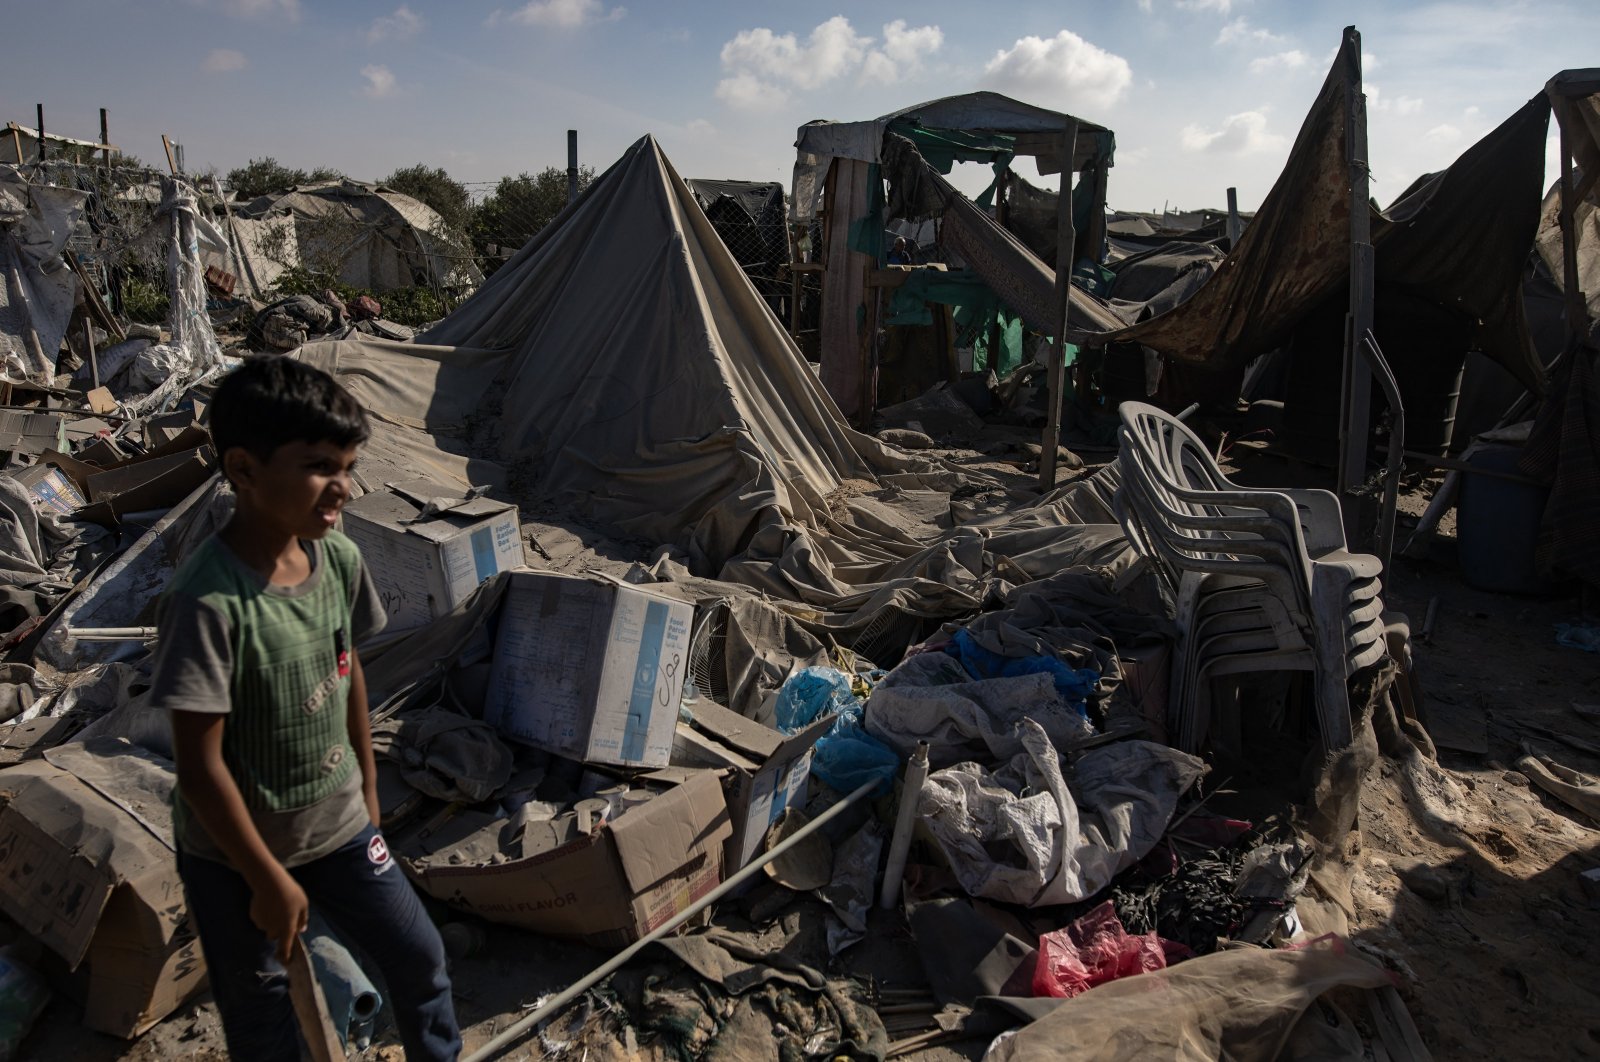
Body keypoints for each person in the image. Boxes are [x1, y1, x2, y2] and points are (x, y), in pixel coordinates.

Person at [151, 355, 460, 1062]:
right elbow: (199, 770)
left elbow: (347, 672)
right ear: (244, 469)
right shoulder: (208, 601)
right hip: (233, 858)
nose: (343, 488)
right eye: (320, 466)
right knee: (263, 1017)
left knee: (419, 960)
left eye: (348, 466)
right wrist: (265, 879)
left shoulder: (340, 561)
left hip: (339, 823)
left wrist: (368, 790)